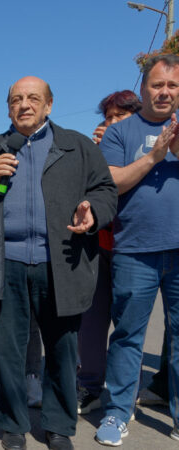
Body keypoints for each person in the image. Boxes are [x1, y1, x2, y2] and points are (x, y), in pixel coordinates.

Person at [0, 76, 117, 450]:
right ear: (8, 107)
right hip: (6, 263)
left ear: (49, 105)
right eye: (15, 99)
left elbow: (106, 190)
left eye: (32, 98)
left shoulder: (76, 146)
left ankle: (58, 426)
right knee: (8, 350)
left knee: (61, 350)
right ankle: (13, 424)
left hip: (60, 262)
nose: (24, 105)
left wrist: (94, 212)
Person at [95, 54, 179, 446]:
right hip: (134, 250)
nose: (165, 92)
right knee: (128, 335)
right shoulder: (120, 132)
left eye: (173, 86)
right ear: (143, 87)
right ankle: (117, 412)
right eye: (157, 85)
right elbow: (112, 183)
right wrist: (154, 156)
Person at [75, 90, 141, 416]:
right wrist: (96, 153)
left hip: (137, 247)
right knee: (91, 320)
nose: (113, 123)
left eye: (121, 116)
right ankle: (89, 385)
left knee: (128, 325)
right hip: (99, 245)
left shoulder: (147, 149)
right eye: (109, 117)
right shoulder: (97, 149)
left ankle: (121, 393)